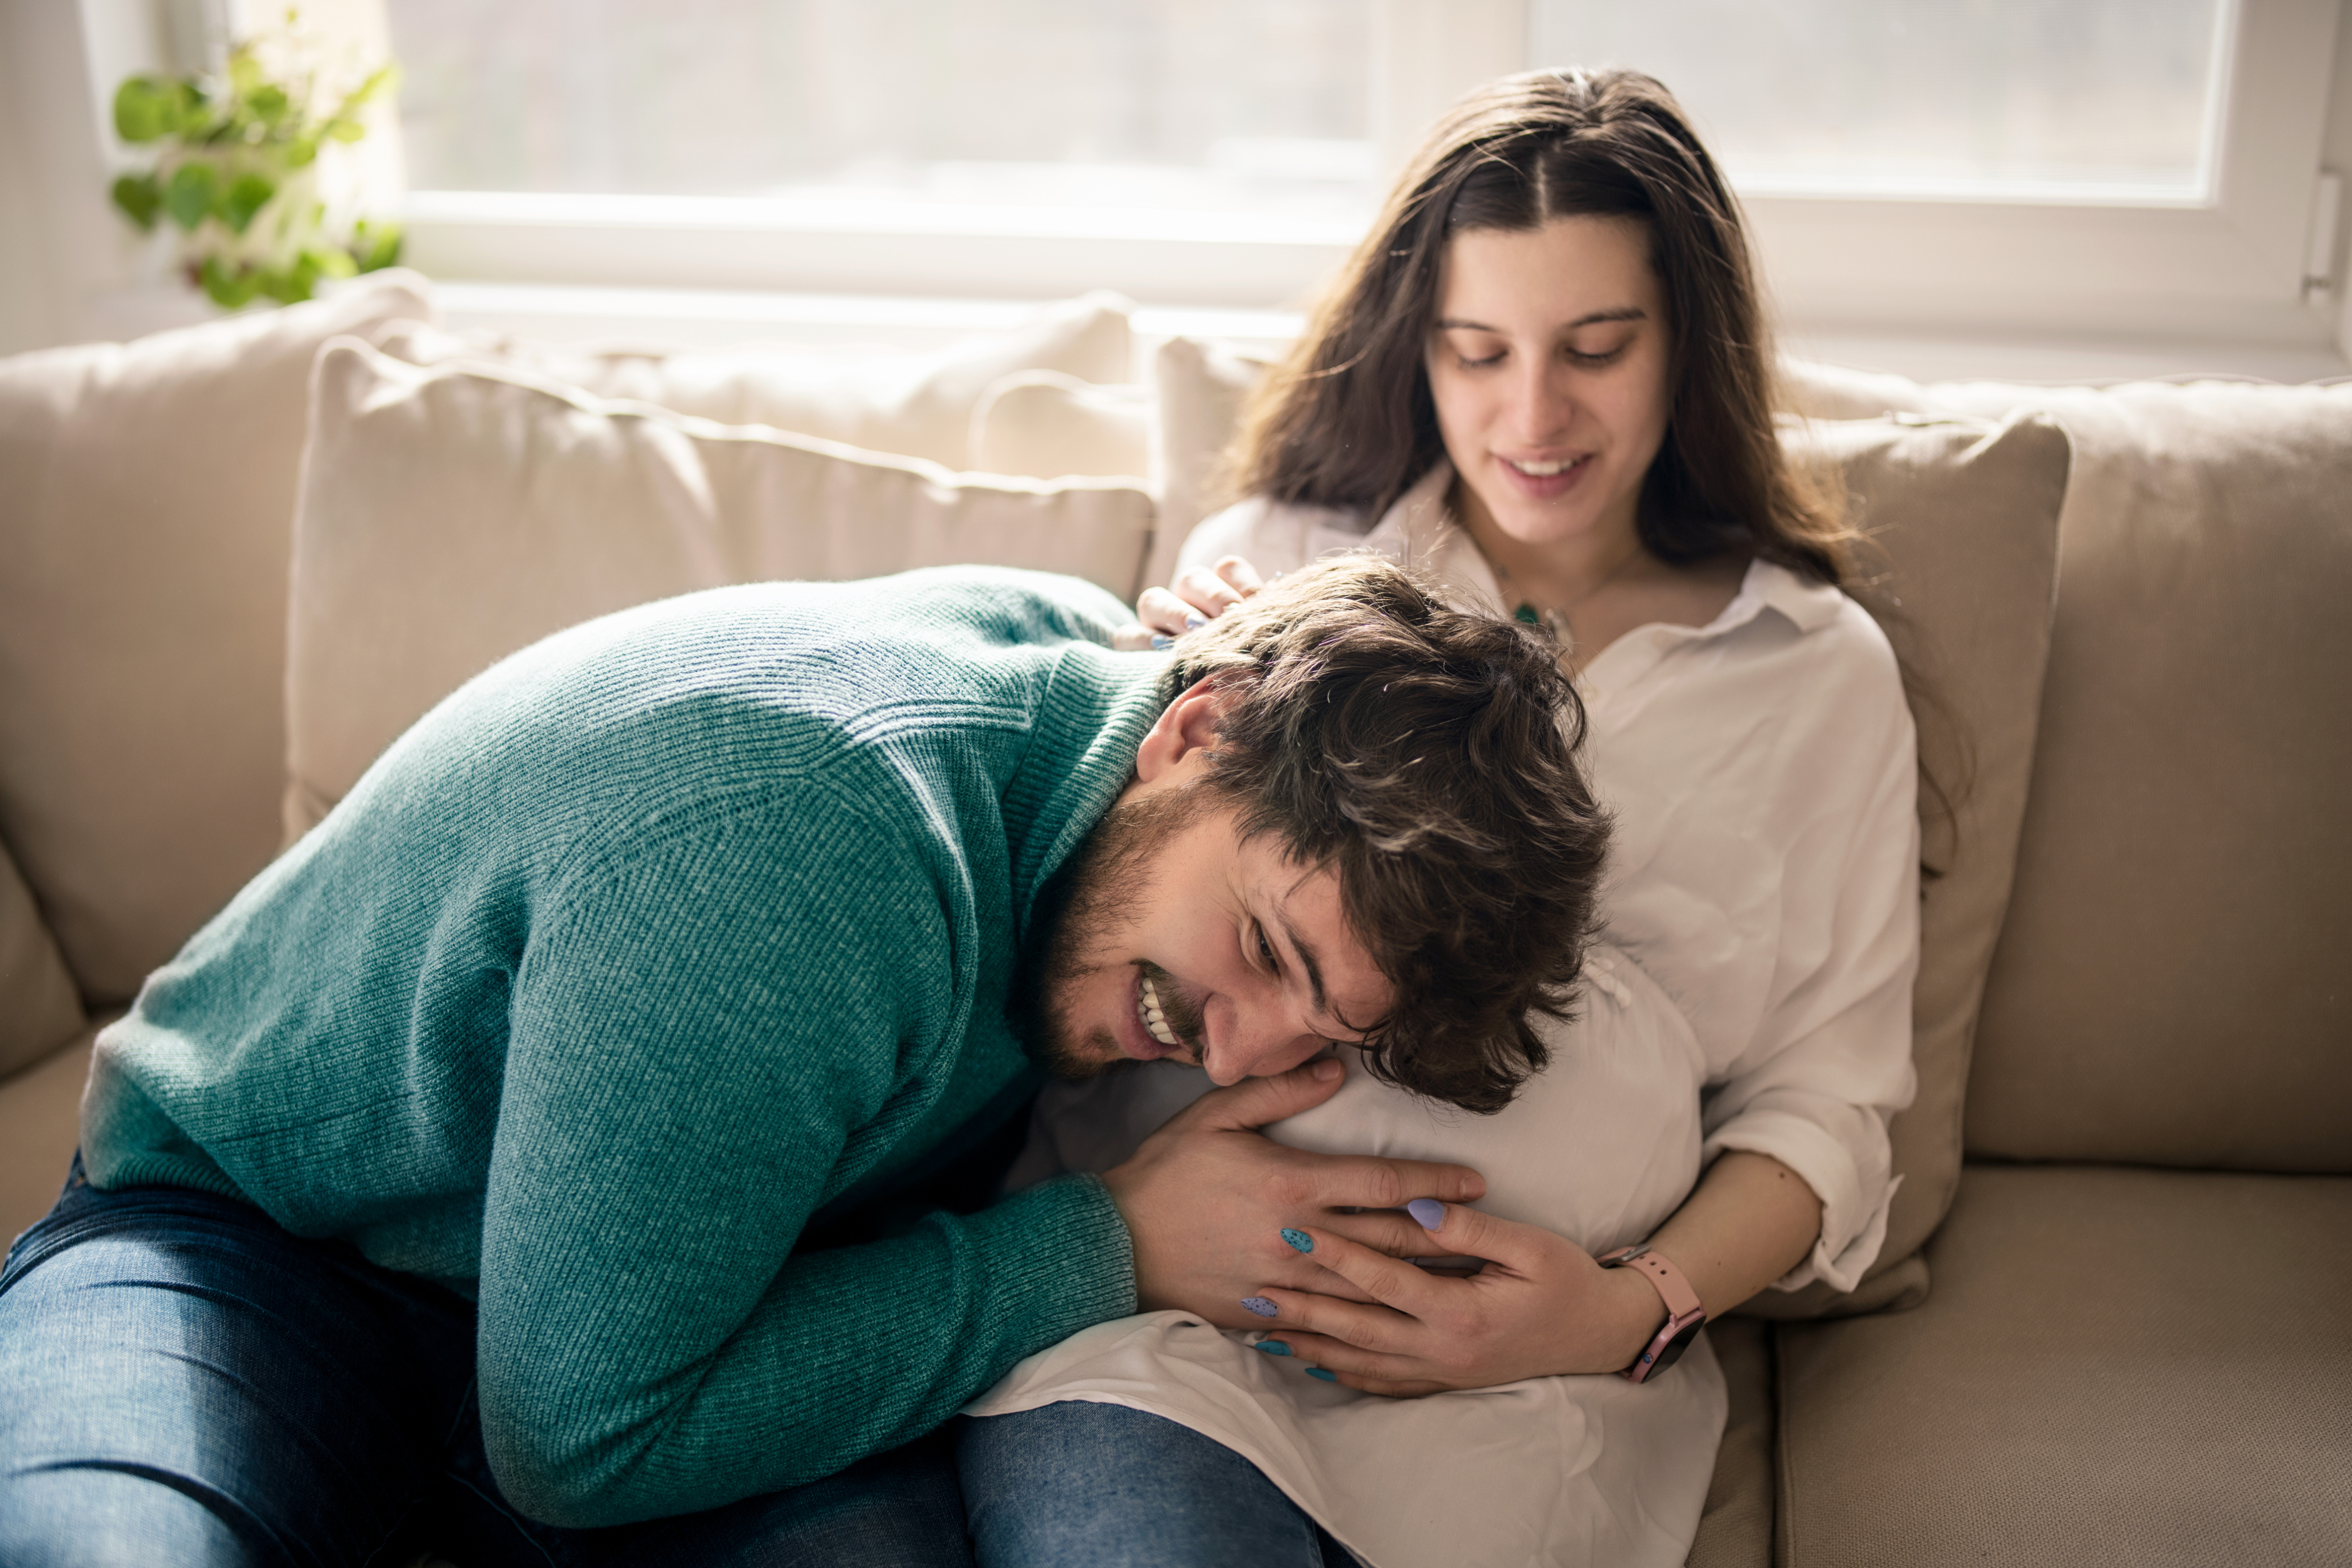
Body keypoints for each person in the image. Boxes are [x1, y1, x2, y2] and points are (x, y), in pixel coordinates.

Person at [0, 556, 1607, 1565]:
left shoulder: (1096, 686)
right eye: (1265, 949)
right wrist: (1112, 1241)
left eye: (1321, 1032)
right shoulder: (810, 849)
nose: (1235, 1049)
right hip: (252, 1248)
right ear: (1198, 732)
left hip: (695, 1318)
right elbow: (584, 1436)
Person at [953, 65, 1921, 1567]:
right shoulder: (1276, 567)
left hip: (1532, 1382)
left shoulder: (1815, 676)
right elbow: (1095, 872)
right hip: (1174, 1335)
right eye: (1479, 352)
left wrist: (1624, 1304)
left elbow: (1832, 1103)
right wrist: (1141, 691)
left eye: (1595, 347)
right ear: (1419, 348)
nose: (1532, 415)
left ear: (1687, 345)